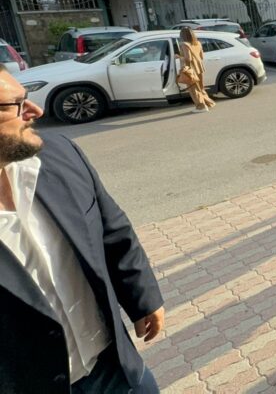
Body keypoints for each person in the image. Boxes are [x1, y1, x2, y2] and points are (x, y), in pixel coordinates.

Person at [0, 70, 165, 392]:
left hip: (114, 367)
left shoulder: (60, 154)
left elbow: (112, 228)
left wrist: (143, 298)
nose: (35, 111)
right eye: (15, 105)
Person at [177, 27, 215, 113]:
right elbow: (201, 56)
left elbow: (188, 58)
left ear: (182, 35)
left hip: (191, 69)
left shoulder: (184, 44)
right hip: (199, 67)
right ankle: (208, 103)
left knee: (193, 89)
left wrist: (179, 57)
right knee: (201, 88)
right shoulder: (197, 43)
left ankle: (201, 107)